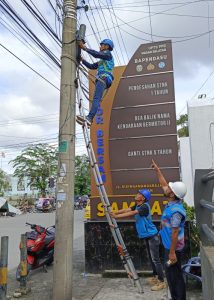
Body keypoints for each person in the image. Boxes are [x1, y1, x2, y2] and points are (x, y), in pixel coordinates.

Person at [110, 189, 166, 291]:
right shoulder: (137, 205)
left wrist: (116, 217)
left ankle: (161, 282)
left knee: (155, 260)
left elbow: (132, 213)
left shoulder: (144, 206)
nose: (137, 195)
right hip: (147, 236)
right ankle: (155, 277)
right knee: (151, 259)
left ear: (143, 198)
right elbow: (127, 210)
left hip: (152, 236)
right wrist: (115, 212)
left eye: (139, 194)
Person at [151, 159, 187, 300]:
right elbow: (164, 183)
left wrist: (172, 253)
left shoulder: (176, 211)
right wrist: (157, 170)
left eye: (169, 189)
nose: (166, 188)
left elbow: (175, 232)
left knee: (175, 278)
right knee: (172, 276)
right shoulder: (172, 202)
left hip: (173, 249)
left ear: (172, 194)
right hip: (169, 246)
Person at [76, 39, 114, 126]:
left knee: (96, 99)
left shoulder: (108, 54)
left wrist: (85, 48)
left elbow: (96, 54)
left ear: (107, 46)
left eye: (102, 45)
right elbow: (92, 66)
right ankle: (89, 118)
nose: (100, 46)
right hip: (104, 79)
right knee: (96, 99)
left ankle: (89, 118)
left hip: (104, 78)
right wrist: (82, 60)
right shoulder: (103, 60)